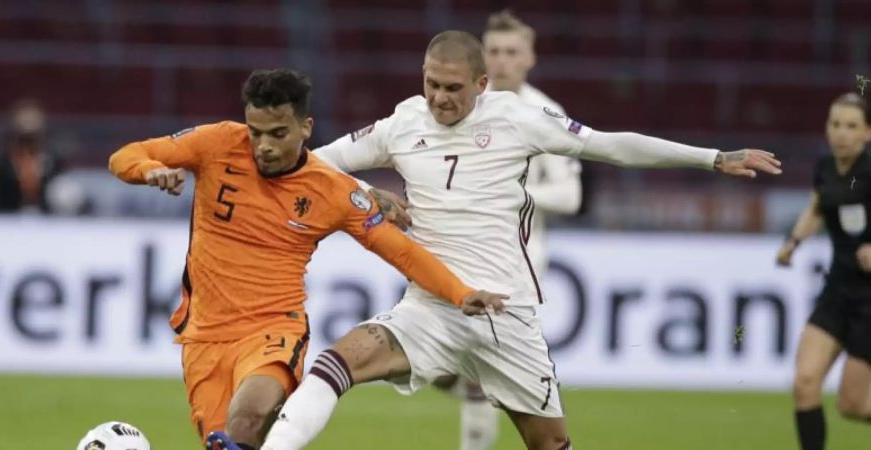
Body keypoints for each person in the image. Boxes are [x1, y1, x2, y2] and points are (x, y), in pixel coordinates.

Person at [204, 31, 779, 450]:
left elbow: (611, 144)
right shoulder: (404, 122)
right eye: (431, 85)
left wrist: (712, 158)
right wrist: (362, 192)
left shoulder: (521, 118)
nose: (440, 99)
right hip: (430, 306)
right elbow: (317, 163)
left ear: (482, 83)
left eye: (454, 88)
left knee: (549, 443)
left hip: (507, 315)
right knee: (335, 364)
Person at [107, 68, 504, 450]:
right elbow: (126, 155)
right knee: (226, 441)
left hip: (273, 331)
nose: (263, 145)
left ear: (306, 128)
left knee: (245, 420)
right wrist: (150, 170)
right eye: (256, 132)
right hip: (204, 336)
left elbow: (401, 251)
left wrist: (459, 292)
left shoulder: (333, 191)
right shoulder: (217, 143)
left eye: (278, 133)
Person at [436, 12, 584, 450]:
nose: (501, 62)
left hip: (515, 262)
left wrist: (515, 194)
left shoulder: (544, 114)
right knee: (444, 368)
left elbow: (571, 196)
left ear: (530, 58)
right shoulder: (458, 106)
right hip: (454, 254)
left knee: (485, 382)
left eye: (511, 52)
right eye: (494, 52)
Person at [776, 92, 871, 450]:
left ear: (868, 133)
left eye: (851, 126)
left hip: (869, 303)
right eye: (835, 124)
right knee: (804, 383)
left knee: (853, 405)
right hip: (838, 291)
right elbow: (817, 207)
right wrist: (793, 241)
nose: (841, 134)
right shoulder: (826, 167)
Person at [0, 99, 61, 213]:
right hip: (8, 221)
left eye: (32, 137)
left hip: (47, 223)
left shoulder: (53, 161)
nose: (28, 142)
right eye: (25, 137)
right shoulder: (3, 164)